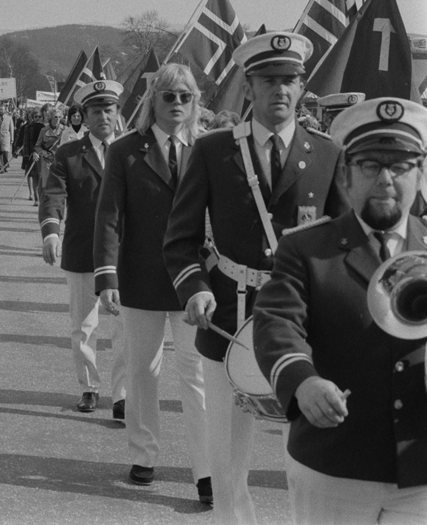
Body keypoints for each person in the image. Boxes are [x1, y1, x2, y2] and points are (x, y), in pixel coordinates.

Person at [163, 31, 347, 524]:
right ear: (249, 87)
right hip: (228, 316)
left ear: (303, 87)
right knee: (226, 460)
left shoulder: (327, 154)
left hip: (303, 325)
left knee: (306, 455)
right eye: (268, 80)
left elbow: (346, 244)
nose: (280, 90)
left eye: (289, 80)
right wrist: (195, 288)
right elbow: (179, 239)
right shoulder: (213, 150)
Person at [253, 97, 427, 524]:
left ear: (420, 175)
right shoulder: (306, 248)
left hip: (421, 467)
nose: (386, 179)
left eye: (401, 166)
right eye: (370, 165)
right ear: (347, 176)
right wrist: (303, 381)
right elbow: (277, 323)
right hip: (336, 463)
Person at [94, 64, 211, 501]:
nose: (177, 104)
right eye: (169, 97)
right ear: (153, 101)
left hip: (194, 282)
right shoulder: (125, 151)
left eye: (185, 97)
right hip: (140, 276)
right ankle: (144, 453)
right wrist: (106, 276)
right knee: (143, 368)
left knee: (195, 373)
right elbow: (108, 215)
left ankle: (205, 469)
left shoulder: (207, 148)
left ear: (194, 102)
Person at [39, 80, 127, 417]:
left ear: (117, 114)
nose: (103, 116)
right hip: (82, 251)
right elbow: (53, 196)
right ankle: (89, 387)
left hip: (122, 255)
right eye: (95, 111)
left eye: (109, 109)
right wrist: (51, 232)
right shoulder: (69, 154)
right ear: (84, 117)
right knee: (83, 326)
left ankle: (122, 395)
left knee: (123, 329)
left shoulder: (131, 151)